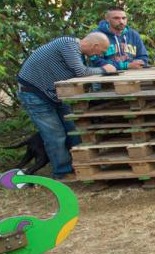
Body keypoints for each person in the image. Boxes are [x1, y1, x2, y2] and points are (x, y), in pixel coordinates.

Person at [17, 33, 115, 179]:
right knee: (55, 135)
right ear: (95, 46)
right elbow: (82, 72)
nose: (100, 55)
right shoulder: (68, 44)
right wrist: (105, 69)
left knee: (74, 130)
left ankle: (80, 165)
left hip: (53, 94)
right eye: (101, 51)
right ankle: (63, 172)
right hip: (34, 93)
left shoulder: (78, 52)